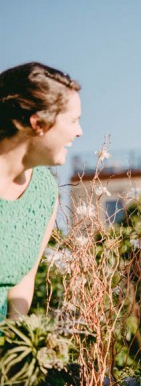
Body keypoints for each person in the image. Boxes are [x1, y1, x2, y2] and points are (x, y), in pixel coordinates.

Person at [0, 62, 82, 322]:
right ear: (38, 123)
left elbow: (23, 281)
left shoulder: (44, 193)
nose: (79, 132)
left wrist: (12, 350)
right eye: (73, 121)